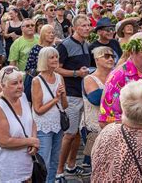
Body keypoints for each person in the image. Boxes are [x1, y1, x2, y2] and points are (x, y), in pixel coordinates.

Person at [0, 66, 39, 182]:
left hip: (25, 166)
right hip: (6, 170)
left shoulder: (23, 97)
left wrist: (34, 140)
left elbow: (32, 122)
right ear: (3, 85)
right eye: (14, 83)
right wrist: (31, 141)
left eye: (21, 82)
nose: (20, 86)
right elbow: (4, 141)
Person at [56, 14, 91, 178]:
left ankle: (71, 165)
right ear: (75, 28)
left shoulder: (86, 45)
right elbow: (56, 68)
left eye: (88, 25)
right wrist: (76, 73)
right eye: (83, 25)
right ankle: (59, 170)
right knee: (69, 134)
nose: (87, 28)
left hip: (83, 94)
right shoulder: (65, 45)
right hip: (70, 94)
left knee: (77, 133)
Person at [31, 47, 68, 183]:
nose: (55, 59)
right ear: (44, 60)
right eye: (51, 57)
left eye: (56, 57)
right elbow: (38, 109)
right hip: (43, 126)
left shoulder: (60, 77)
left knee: (54, 161)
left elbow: (65, 106)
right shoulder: (37, 81)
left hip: (58, 125)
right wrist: (55, 99)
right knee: (44, 162)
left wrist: (62, 95)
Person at [81, 47, 114, 169]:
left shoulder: (114, 77)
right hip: (93, 127)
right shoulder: (89, 78)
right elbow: (96, 99)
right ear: (97, 60)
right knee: (98, 164)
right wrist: (116, 91)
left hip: (112, 126)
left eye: (112, 56)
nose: (110, 59)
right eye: (106, 56)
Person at [24, 24, 56, 102]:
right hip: (38, 81)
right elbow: (29, 68)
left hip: (53, 81)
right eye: (48, 33)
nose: (51, 35)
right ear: (42, 34)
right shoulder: (36, 48)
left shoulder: (55, 48)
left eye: (53, 33)